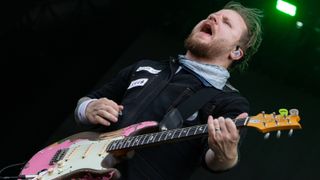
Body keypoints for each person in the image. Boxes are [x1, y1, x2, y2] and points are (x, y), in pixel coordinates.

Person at [74, 1, 263, 179]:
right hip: (79, 168)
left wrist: (227, 155)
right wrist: (88, 108)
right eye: (213, 15)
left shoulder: (229, 101)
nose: (213, 17)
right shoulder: (145, 67)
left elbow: (213, 161)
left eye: (226, 23)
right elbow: (87, 102)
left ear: (236, 52)